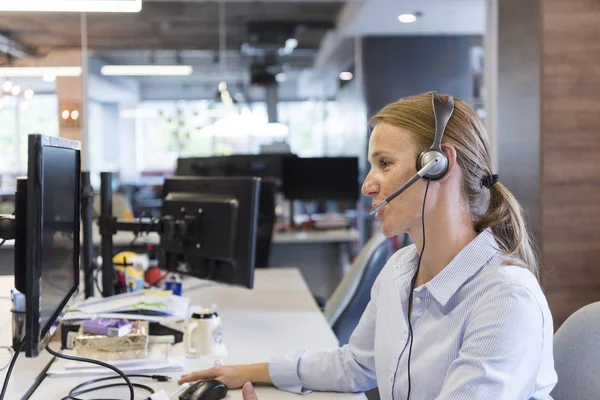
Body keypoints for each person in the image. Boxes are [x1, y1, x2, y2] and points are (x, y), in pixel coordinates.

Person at [179, 92, 557, 399]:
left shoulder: (505, 298)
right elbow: (355, 366)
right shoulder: (401, 269)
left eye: (385, 163)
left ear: (438, 165)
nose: (368, 185)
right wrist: (246, 372)